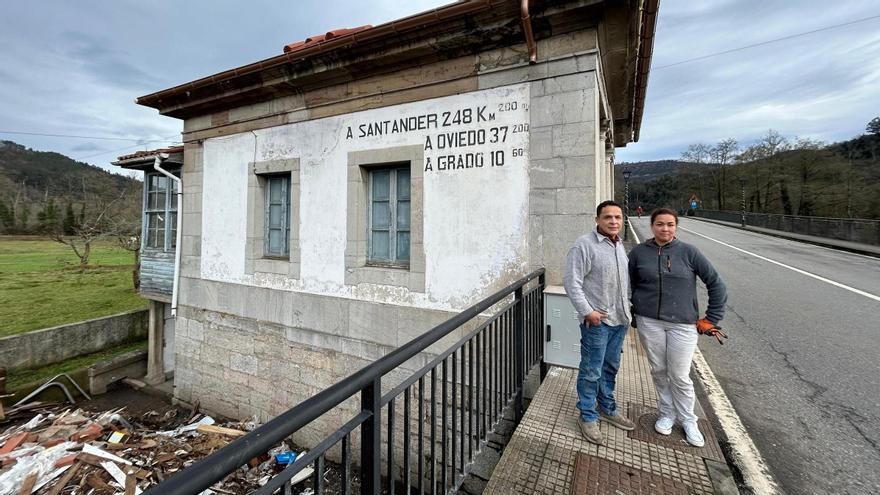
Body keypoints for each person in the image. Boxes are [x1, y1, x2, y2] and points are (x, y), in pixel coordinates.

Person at [628, 208, 727, 447]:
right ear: (652, 226)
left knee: (680, 374)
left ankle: (688, 419)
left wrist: (711, 318)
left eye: (670, 224)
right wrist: (631, 312)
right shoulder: (639, 253)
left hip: (682, 324)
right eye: (660, 224)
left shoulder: (689, 252)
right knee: (659, 370)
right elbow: (628, 285)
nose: (665, 229)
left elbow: (716, 284)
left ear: (676, 227)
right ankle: (666, 413)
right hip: (649, 320)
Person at [563, 200, 634, 445]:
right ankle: (587, 415)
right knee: (591, 370)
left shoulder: (618, 245)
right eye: (608, 218)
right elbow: (572, 282)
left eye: (617, 217)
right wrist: (588, 312)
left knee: (610, 367)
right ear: (597, 220)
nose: (614, 222)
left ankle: (607, 407)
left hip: (620, 320)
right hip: (597, 322)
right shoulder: (584, 245)